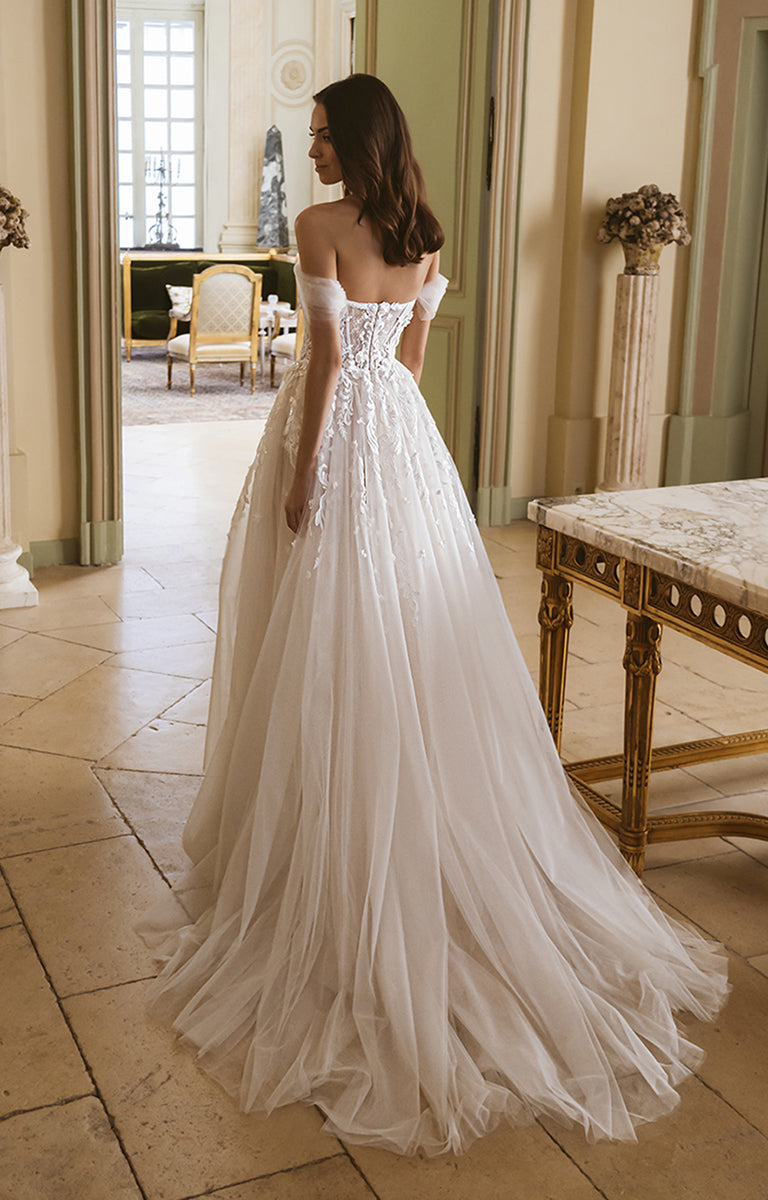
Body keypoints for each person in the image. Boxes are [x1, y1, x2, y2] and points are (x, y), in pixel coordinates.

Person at [139, 74, 728, 1157]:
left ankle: (325, 835)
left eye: (320, 134)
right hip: (405, 447)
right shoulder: (425, 232)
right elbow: (404, 360)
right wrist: (389, 433)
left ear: (356, 140)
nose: (309, 149)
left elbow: (323, 366)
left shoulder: (321, 227)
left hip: (338, 438)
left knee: (320, 635)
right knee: (401, 632)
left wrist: (304, 477)